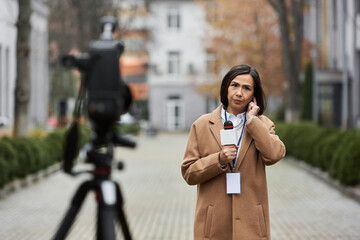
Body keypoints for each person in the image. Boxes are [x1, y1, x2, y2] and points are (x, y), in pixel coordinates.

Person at [181, 64, 286, 240]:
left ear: (253, 95)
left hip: (251, 226)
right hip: (213, 226)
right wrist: (219, 160)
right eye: (235, 85)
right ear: (226, 88)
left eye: (246, 88)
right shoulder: (202, 124)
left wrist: (252, 122)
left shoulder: (263, 124)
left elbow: (274, 155)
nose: (239, 93)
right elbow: (189, 173)